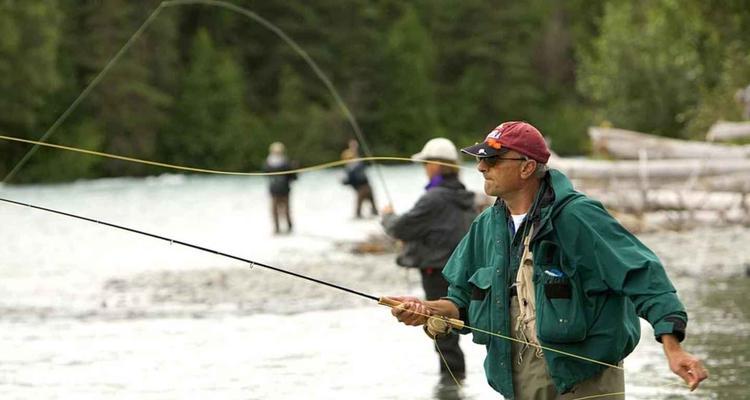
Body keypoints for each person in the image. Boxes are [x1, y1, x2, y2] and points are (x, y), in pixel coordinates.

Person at [388, 122, 708, 399]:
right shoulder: (486, 225)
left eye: (493, 159)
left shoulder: (579, 216)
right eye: (480, 159)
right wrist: (426, 310)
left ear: (527, 167)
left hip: (588, 377)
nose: (481, 167)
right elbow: (460, 302)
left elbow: (644, 276)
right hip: (518, 378)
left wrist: (672, 346)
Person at [381, 138, 476, 387]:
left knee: (440, 331)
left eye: (425, 164)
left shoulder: (434, 197)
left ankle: (450, 385)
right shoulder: (463, 195)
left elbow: (401, 228)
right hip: (462, 273)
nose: (425, 168)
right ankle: (458, 383)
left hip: (437, 272)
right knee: (451, 330)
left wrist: (387, 216)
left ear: (435, 165)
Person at [263, 142, 296, 234]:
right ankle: (277, 229)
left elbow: (293, 177)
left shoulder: (285, 163)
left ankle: (289, 228)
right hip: (275, 191)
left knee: (286, 210)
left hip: (284, 190)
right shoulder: (270, 163)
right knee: (275, 211)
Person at [341, 147, 378, 218]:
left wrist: (343, 181)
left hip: (362, 190)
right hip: (368, 188)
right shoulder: (351, 167)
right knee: (374, 209)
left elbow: (352, 180)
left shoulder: (356, 166)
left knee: (358, 212)